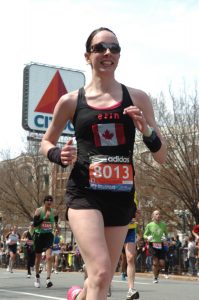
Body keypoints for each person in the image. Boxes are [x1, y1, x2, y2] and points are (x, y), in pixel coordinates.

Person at [40, 27, 167, 300]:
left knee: (103, 278)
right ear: (88, 56)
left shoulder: (138, 98)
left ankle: (77, 296)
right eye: (100, 48)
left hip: (120, 196)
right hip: (84, 194)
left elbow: (161, 155)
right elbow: (46, 142)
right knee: (99, 273)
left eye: (114, 47)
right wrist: (57, 155)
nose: (108, 52)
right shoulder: (71, 101)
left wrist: (146, 131)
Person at [33, 195, 58, 288]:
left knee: (49, 257)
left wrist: (57, 226)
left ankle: (48, 279)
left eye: (51, 200)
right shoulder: (39, 211)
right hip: (39, 235)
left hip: (48, 235)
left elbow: (56, 221)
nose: (49, 201)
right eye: (47, 200)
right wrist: (44, 218)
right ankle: (37, 277)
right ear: (44, 201)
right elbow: (35, 224)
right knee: (38, 258)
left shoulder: (54, 212)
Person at [123, 193, 140, 300]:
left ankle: (131, 289)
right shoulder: (114, 188)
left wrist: (136, 214)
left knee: (130, 257)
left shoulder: (134, 193)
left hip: (130, 228)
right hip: (116, 227)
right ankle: (105, 285)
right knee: (110, 258)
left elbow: (136, 210)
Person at [143, 210, 168, 283]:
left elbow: (166, 234)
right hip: (152, 244)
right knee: (155, 262)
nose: (159, 215)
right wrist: (147, 238)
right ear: (153, 216)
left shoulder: (163, 225)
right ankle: (155, 277)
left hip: (161, 245)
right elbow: (144, 235)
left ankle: (156, 274)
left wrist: (165, 237)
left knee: (162, 263)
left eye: (159, 214)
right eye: (157, 214)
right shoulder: (149, 225)